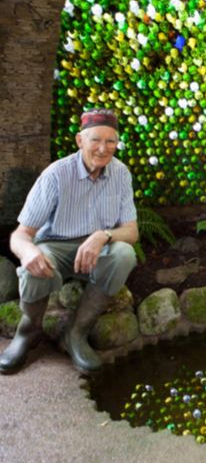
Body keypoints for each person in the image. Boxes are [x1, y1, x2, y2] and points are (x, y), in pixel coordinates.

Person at [0, 108, 138, 375]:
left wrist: (103, 235)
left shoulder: (121, 174)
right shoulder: (55, 175)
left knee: (123, 254)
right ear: (79, 141)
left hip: (98, 248)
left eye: (111, 141)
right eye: (96, 139)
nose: (103, 148)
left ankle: (76, 333)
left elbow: (131, 232)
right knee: (35, 265)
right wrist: (28, 253)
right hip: (56, 245)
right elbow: (20, 235)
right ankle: (28, 331)